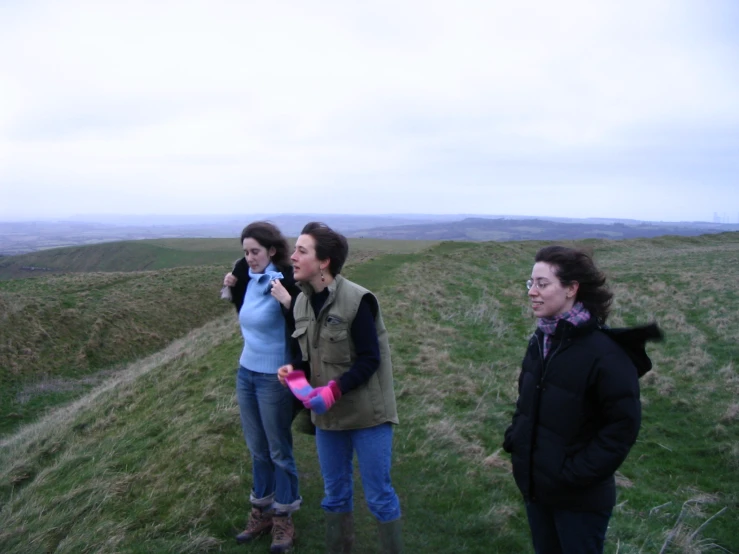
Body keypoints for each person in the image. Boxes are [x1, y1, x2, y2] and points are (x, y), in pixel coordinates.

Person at [503, 245, 662, 554]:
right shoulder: (541, 341)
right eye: (530, 283)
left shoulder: (605, 354)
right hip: (537, 489)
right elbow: (527, 404)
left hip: (579, 500)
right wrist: (516, 440)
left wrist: (573, 475)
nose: (532, 292)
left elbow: (622, 428)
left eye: (542, 283)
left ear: (572, 289)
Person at [277, 222, 403, 554]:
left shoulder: (357, 300)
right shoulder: (302, 303)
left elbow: (369, 359)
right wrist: (294, 375)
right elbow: (309, 357)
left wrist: (334, 390)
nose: (292, 257)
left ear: (324, 261)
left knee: (378, 495)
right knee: (335, 494)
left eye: (301, 251)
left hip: (368, 416)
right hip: (329, 421)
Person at [223, 221, 302, 553]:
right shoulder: (247, 277)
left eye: (255, 251)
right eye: (245, 252)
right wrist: (233, 286)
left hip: (275, 376)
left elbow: (304, 321)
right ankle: (262, 512)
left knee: (279, 450)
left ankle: (284, 518)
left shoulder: (285, 281)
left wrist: (288, 302)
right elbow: (247, 314)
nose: (249, 257)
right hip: (247, 373)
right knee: (257, 449)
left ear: (272, 250)